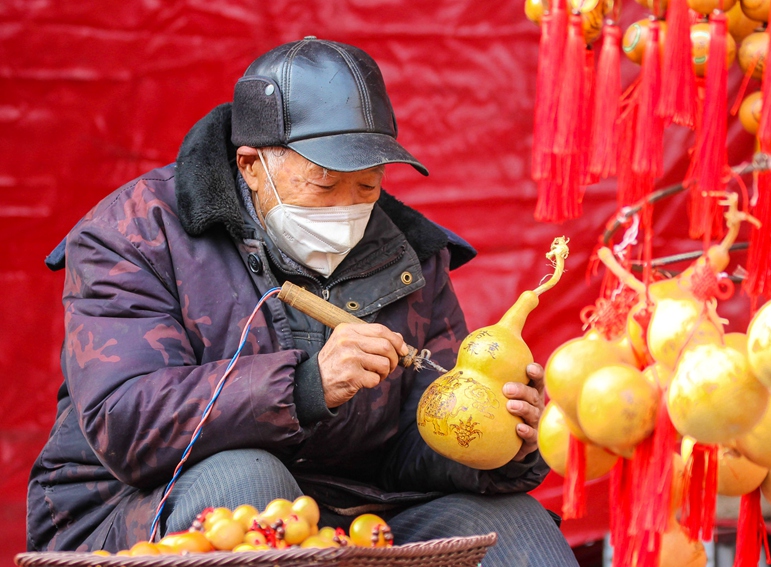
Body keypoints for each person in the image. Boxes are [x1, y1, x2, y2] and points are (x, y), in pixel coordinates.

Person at [27, 37, 579, 565]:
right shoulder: (137, 233)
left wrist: (495, 442)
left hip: (350, 505)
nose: (349, 208)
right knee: (250, 481)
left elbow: (407, 451)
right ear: (252, 165)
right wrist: (305, 386)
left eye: (367, 187)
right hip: (136, 506)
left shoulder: (409, 254)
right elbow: (124, 420)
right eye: (323, 185)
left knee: (512, 523)